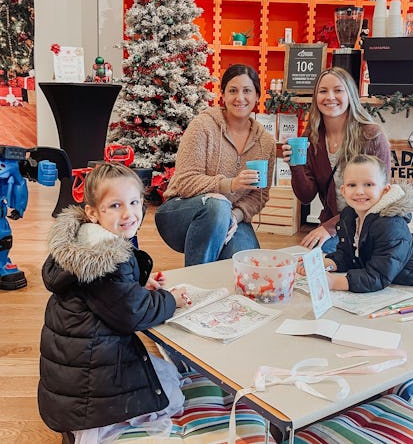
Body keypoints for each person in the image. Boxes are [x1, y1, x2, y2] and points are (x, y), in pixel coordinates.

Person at [38, 163, 189, 439]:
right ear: (93, 213)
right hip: (91, 379)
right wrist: (170, 299)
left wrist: (139, 285)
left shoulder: (84, 241)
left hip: (74, 371)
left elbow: (112, 296)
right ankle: (94, 428)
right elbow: (133, 313)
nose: (129, 213)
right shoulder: (105, 259)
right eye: (116, 205)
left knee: (164, 374)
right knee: (173, 394)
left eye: (134, 202)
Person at [155, 64, 276, 267]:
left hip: (231, 215)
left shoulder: (266, 142)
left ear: (257, 96)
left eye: (247, 91)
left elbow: (259, 195)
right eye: (233, 90)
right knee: (218, 205)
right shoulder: (203, 127)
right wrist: (230, 185)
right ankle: (197, 283)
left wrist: (235, 217)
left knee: (246, 264)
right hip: (179, 213)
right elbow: (184, 182)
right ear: (223, 95)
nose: (240, 98)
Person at [303, 154, 413, 295]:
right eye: (352, 185)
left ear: (385, 190)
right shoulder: (349, 217)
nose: (359, 191)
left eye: (368, 184)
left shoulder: (391, 225)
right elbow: (348, 256)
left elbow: (378, 275)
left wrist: (334, 282)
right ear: (343, 191)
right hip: (397, 288)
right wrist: (324, 264)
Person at [281, 66, 391, 253]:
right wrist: (295, 166)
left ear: (350, 95)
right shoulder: (312, 137)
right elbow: (306, 196)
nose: (330, 97)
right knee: (306, 259)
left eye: (338, 90)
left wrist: (330, 227)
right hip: (334, 225)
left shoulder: (371, 135)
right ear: (316, 98)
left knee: (320, 257)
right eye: (323, 91)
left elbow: (377, 197)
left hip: (367, 224)